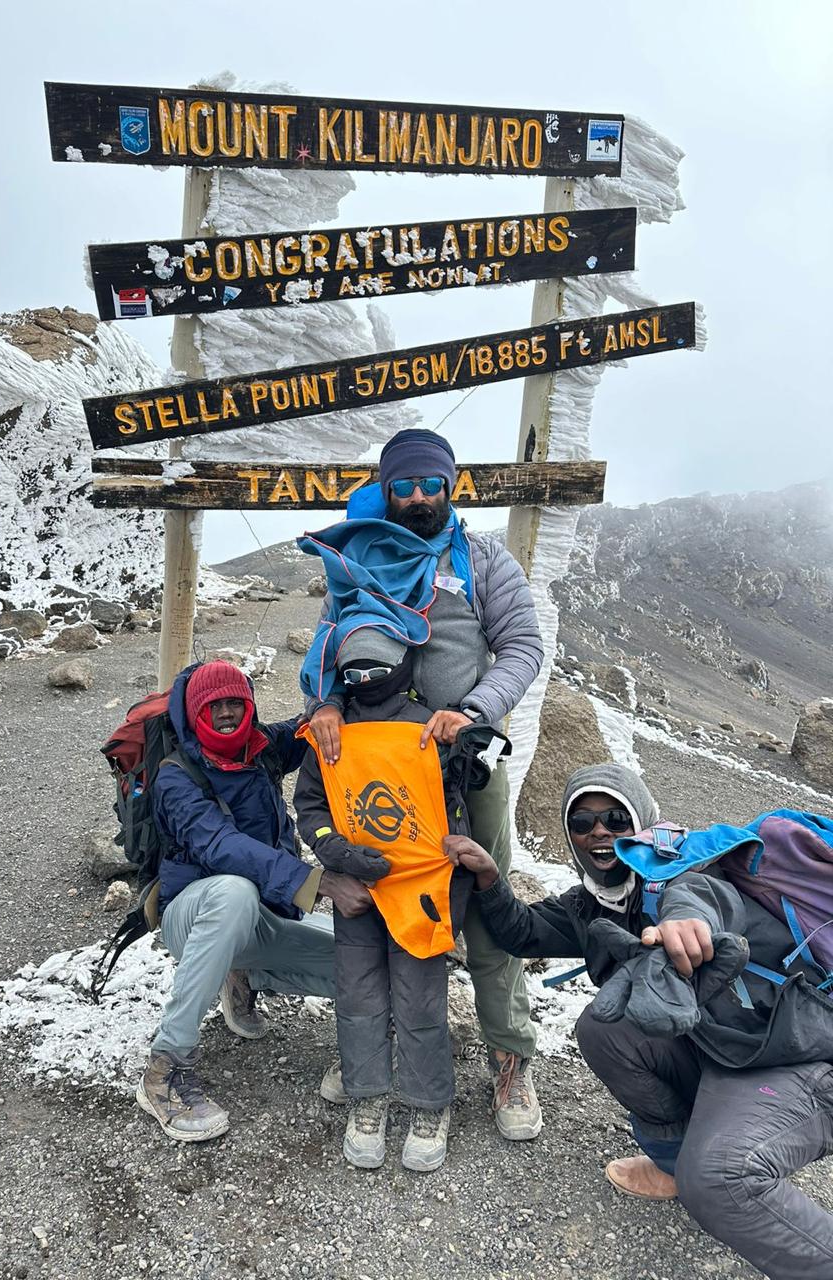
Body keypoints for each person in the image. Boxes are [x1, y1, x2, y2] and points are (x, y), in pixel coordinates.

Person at [447, 763, 833, 1280]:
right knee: (603, 1031)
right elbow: (525, 933)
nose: (599, 831)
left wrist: (683, 920)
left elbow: (701, 895)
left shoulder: (687, 864)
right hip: (728, 1046)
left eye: (613, 817)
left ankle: (713, 1173)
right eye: (581, 823)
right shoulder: (593, 905)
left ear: (641, 821)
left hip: (797, 1056)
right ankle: (676, 1163)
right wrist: (491, 881)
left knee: (719, 1178)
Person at [300, 427, 545, 1141]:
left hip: (465, 764)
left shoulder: (482, 559)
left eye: (428, 484)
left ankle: (510, 1058)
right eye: (401, 485)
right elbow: (327, 645)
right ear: (387, 487)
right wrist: (322, 706)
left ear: (450, 485)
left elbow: (524, 645)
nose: (415, 498)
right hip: (376, 764)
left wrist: (471, 711)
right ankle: (368, 1056)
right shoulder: (359, 554)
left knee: (488, 908)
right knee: (374, 899)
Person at [135, 659, 371, 1143]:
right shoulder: (175, 777)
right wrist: (318, 882)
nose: (225, 713)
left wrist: (334, 704)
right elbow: (221, 847)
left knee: (366, 960)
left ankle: (242, 973)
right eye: (213, 705)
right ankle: (165, 1070)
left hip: (257, 919)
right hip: (194, 914)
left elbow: (316, 726)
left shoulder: (261, 748)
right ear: (195, 712)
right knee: (233, 889)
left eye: (234, 702)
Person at [293, 629, 477, 1172]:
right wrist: (338, 854)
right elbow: (311, 807)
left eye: (376, 669)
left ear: (403, 664)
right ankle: (366, 1097)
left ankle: (428, 1104)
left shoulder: (431, 727)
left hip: (419, 892)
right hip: (357, 894)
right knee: (357, 995)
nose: (365, 680)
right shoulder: (329, 730)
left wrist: (453, 883)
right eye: (354, 672)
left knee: (421, 997)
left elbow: (453, 810)